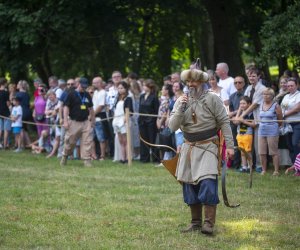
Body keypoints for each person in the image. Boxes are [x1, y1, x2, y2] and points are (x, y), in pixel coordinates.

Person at [168, 68, 234, 235]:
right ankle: (195, 222)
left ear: (202, 82)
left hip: (208, 146)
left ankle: (209, 224)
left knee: (207, 182)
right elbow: (172, 126)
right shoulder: (180, 101)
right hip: (189, 147)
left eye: (194, 81)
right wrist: (181, 108)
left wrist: (231, 146)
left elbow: (224, 122)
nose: (191, 84)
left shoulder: (213, 98)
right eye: (188, 82)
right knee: (189, 184)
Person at [60, 77, 95, 167]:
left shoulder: (87, 95)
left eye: (85, 86)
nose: (83, 88)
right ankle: (65, 155)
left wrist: (92, 121)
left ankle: (87, 160)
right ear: (78, 84)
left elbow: (91, 109)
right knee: (70, 142)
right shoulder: (71, 94)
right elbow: (66, 107)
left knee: (87, 141)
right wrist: (65, 121)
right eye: (82, 86)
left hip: (85, 122)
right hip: (74, 122)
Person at [242, 67, 267, 173]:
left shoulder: (262, 89)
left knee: (258, 144)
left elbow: (254, 105)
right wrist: (240, 115)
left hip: (258, 118)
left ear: (258, 77)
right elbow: (243, 102)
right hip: (248, 118)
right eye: (249, 76)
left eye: (253, 76)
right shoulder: (248, 88)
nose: (251, 78)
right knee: (247, 143)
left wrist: (242, 115)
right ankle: (248, 165)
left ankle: (259, 165)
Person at [258, 88, 283, 175]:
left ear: (272, 96)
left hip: (272, 130)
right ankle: (263, 170)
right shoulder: (261, 104)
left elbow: (280, 119)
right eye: (264, 94)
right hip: (261, 130)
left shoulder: (276, 105)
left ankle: (276, 171)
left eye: (267, 94)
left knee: (273, 151)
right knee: (262, 152)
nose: (265, 96)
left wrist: (275, 127)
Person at [138, 79, 160, 163]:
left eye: (144, 85)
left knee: (152, 140)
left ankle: (155, 158)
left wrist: (153, 120)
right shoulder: (142, 96)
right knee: (143, 140)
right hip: (142, 121)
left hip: (151, 121)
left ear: (149, 86)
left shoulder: (154, 96)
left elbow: (156, 110)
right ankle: (144, 158)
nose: (143, 87)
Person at [112, 81, 133, 163]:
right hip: (116, 120)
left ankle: (128, 158)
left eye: (122, 88)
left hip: (123, 120)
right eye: (119, 88)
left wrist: (125, 119)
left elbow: (129, 110)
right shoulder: (117, 98)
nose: (120, 90)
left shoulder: (128, 98)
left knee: (126, 140)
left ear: (126, 89)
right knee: (120, 140)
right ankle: (122, 158)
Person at [233, 96, 255, 173]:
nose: (242, 105)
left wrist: (243, 121)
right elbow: (236, 122)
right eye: (240, 104)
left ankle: (250, 167)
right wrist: (237, 116)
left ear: (249, 104)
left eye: (244, 103)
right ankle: (244, 167)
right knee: (242, 152)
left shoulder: (251, 113)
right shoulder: (240, 113)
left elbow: (254, 124)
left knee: (248, 152)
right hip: (240, 135)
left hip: (247, 135)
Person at [280, 77, 300, 163]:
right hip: (286, 124)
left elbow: (297, 109)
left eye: (292, 85)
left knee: (295, 143)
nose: (290, 87)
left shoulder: (299, 95)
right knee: (289, 145)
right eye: (288, 86)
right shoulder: (286, 96)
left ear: (297, 85)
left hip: (297, 123)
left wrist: (284, 115)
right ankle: (294, 164)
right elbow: (281, 109)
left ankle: (298, 165)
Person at [0, 77, 11, 149]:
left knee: (0, 129)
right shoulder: (6, 92)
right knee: (6, 129)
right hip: (6, 112)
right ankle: (4, 145)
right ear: (5, 83)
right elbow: (8, 104)